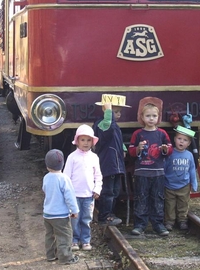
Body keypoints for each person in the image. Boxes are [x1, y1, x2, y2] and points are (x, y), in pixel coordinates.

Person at [127, 97, 172, 237]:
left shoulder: (162, 133)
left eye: (154, 116)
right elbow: (131, 151)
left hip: (158, 172)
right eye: (148, 116)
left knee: (158, 198)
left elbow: (170, 149)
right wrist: (138, 149)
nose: (151, 118)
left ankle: (158, 224)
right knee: (141, 197)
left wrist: (165, 149)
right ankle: (140, 224)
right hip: (141, 172)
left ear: (158, 118)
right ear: (142, 117)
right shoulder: (138, 134)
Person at [63, 124, 102, 251]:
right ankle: (74, 240)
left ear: (92, 142)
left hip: (89, 195)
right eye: (83, 140)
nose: (85, 143)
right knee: (74, 219)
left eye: (89, 140)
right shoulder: (72, 157)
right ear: (77, 141)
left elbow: (98, 175)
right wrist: (66, 193)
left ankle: (85, 240)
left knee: (86, 219)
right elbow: (66, 176)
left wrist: (97, 189)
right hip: (74, 195)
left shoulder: (94, 157)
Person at [92, 94, 130, 226]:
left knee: (114, 191)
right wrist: (108, 112)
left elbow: (116, 139)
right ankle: (104, 216)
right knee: (107, 192)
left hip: (115, 164)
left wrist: (123, 148)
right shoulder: (103, 124)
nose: (118, 115)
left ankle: (110, 213)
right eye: (115, 112)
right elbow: (108, 131)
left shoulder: (114, 126)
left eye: (119, 112)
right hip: (108, 164)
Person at [42, 149, 80, 265]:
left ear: (47, 165)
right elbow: (70, 196)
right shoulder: (64, 178)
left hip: (47, 214)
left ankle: (51, 255)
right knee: (64, 235)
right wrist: (74, 210)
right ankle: (65, 258)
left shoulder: (46, 177)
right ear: (62, 164)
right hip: (60, 215)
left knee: (50, 235)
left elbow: (44, 190)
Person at [164, 125, 198, 231]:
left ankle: (182, 220)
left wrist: (194, 183)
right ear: (174, 139)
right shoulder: (170, 154)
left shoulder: (189, 155)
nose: (181, 142)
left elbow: (192, 169)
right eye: (179, 139)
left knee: (183, 204)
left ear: (188, 143)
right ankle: (169, 222)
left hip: (184, 185)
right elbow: (164, 167)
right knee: (170, 204)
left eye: (185, 140)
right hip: (169, 185)